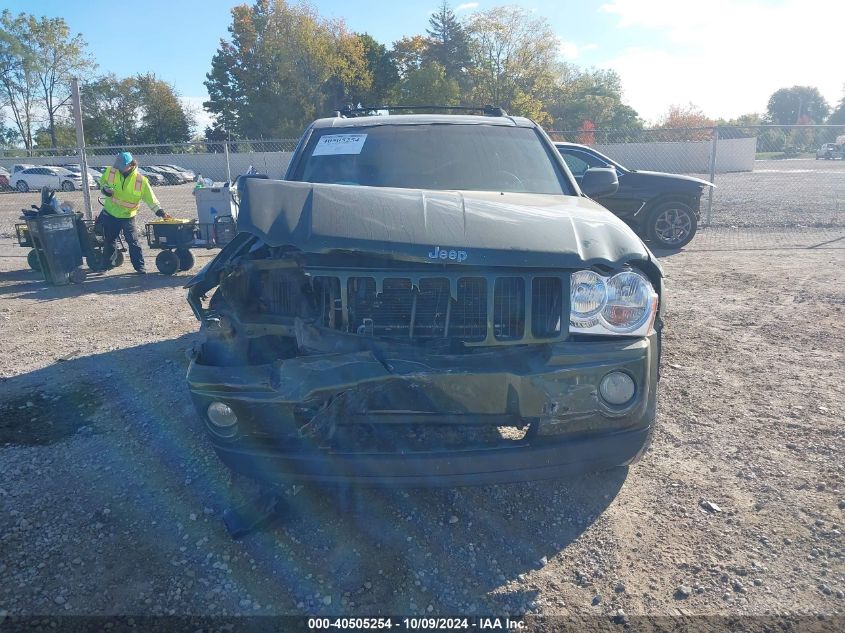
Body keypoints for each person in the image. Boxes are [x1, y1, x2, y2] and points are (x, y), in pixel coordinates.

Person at [97, 152, 170, 274]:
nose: (119, 169)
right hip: (111, 213)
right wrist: (105, 190)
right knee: (109, 240)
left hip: (127, 216)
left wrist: (160, 212)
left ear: (131, 165)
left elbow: (150, 199)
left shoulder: (141, 181)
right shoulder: (111, 171)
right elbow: (102, 182)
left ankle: (139, 267)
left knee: (133, 242)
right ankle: (106, 265)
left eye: (122, 166)